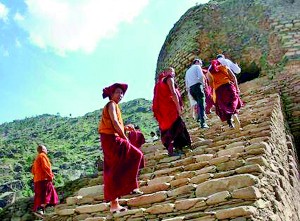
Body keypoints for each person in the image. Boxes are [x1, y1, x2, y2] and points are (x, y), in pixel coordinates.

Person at [98, 83, 144, 214]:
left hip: (111, 138)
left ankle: (118, 201)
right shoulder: (111, 104)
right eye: (118, 92)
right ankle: (129, 188)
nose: (121, 95)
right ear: (111, 94)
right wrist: (125, 137)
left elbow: (115, 123)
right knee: (135, 156)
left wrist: (124, 128)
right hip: (111, 139)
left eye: (122, 93)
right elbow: (114, 121)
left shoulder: (115, 106)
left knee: (116, 168)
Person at [153, 67, 191, 156]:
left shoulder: (159, 84)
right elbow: (173, 93)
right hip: (171, 109)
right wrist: (178, 107)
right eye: (173, 72)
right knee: (177, 127)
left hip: (163, 111)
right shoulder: (169, 79)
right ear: (167, 72)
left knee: (168, 129)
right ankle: (178, 148)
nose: (174, 74)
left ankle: (172, 149)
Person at [207, 59, 243, 129]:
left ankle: (230, 124)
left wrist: (213, 93)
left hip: (219, 91)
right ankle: (234, 113)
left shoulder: (209, 72)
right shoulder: (225, 67)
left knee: (224, 106)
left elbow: (210, 84)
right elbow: (233, 77)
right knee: (233, 101)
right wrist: (237, 87)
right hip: (228, 86)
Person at [31, 144, 59, 218]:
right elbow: (46, 167)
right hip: (44, 179)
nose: (47, 150)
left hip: (37, 180)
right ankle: (41, 209)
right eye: (46, 149)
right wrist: (50, 176)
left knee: (41, 195)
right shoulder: (43, 156)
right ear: (43, 150)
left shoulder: (36, 159)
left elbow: (33, 171)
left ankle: (42, 210)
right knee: (49, 194)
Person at [185, 58, 209, 128]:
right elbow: (201, 76)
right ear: (197, 62)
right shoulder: (197, 67)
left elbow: (186, 83)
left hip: (191, 89)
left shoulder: (187, 71)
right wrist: (203, 84)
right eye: (201, 64)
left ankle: (199, 117)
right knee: (201, 104)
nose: (201, 65)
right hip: (198, 86)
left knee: (199, 103)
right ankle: (203, 123)